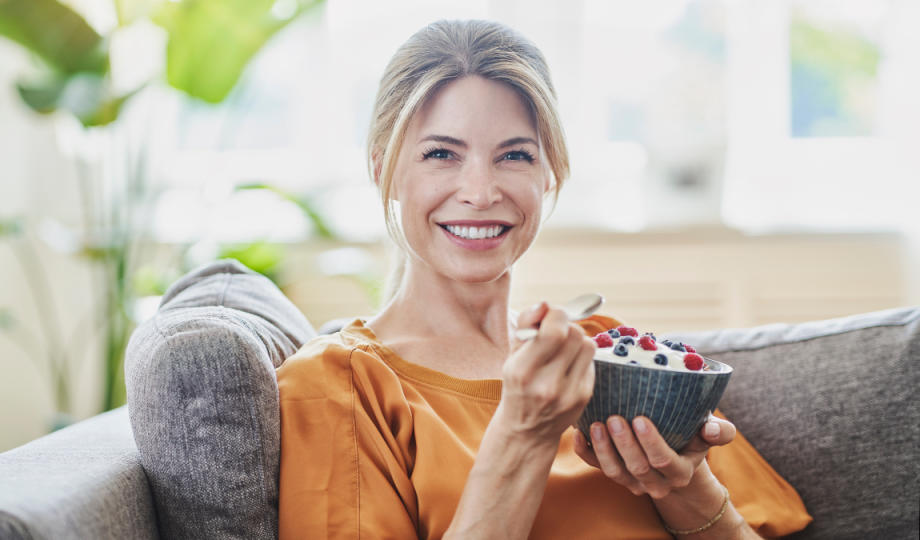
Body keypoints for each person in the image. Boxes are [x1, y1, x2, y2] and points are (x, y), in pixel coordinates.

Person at [276, 19, 811, 539]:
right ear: (383, 171)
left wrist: (684, 484)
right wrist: (523, 434)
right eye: (441, 154)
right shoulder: (339, 385)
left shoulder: (606, 349)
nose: (481, 191)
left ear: (548, 173)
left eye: (514, 155)